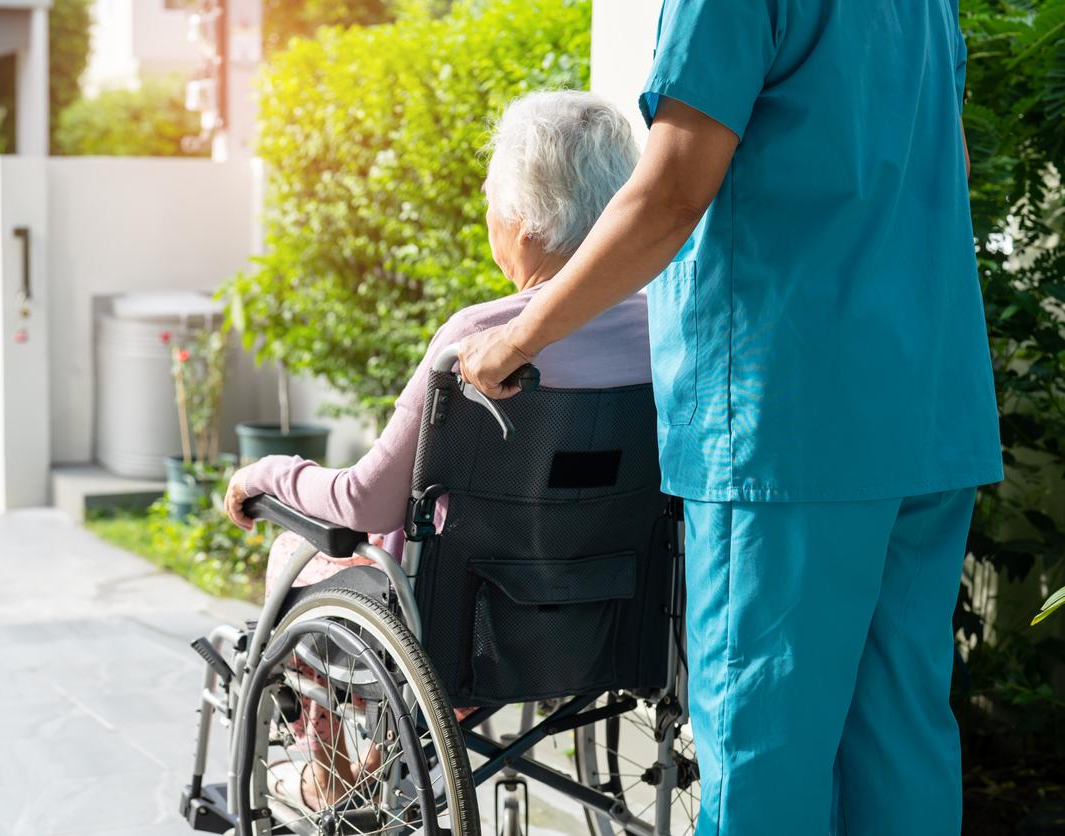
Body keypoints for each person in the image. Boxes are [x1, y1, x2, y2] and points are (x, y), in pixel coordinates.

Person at [457, 2, 1003, 834]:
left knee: (765, 756)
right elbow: (947, 168)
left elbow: (672, 192)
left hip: (789, 422)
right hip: (925, 406)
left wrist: (517, 337)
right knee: (899, 738)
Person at [223, 89, 652, 808]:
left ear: (520, 221)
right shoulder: (664, 333)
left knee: (293, 549)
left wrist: (267, 471)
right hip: (610, 611)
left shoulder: (480, 341)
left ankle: (332, 775)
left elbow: (365, 500)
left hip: (469, 626)